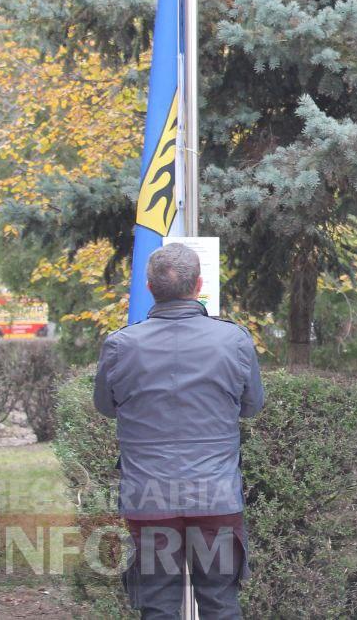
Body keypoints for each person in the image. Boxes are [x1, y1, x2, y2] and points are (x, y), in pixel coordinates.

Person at [94, 243, 265, 619]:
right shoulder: (233, 340)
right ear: (198, 285)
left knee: (157, 606)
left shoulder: (120, 344)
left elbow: (105, 407)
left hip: (149, 497)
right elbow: (253, 406)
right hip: (216, 496)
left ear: (149, 288)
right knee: (221, 603)